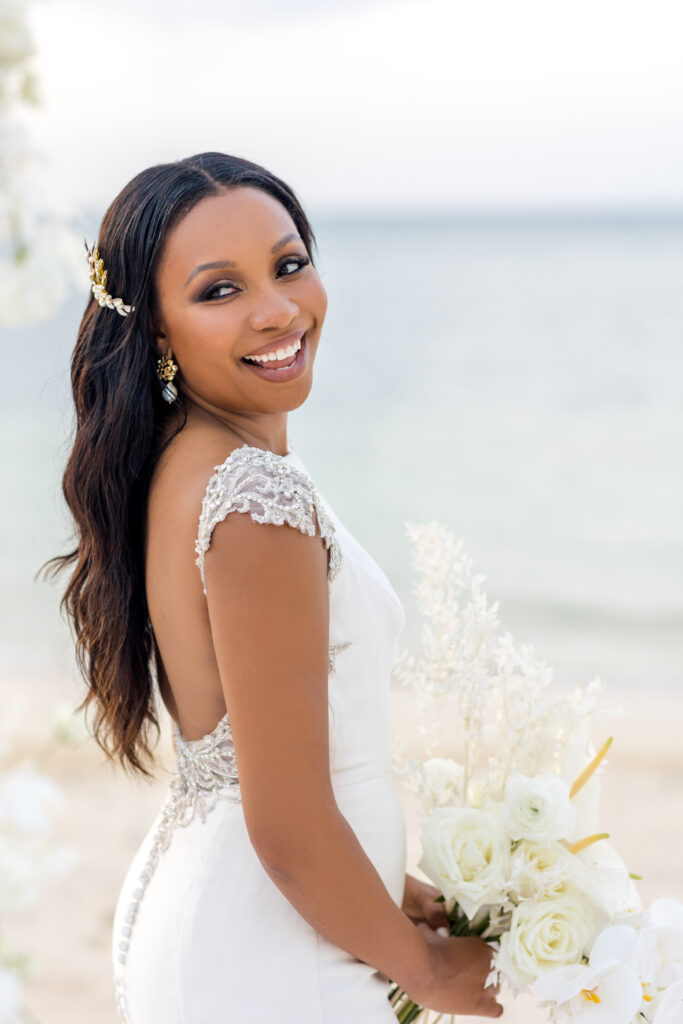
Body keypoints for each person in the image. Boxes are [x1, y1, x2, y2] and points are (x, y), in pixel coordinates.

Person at [42, 152, 503, 1022]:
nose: (278, 309)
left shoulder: (183, 460)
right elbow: (286, 826)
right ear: (155, 333)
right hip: (270, 945)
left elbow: (258, 754)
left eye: (289, 265)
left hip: (236, 915)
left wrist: (390, 884)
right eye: (219, 291)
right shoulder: (258, 500)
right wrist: (432, 973)